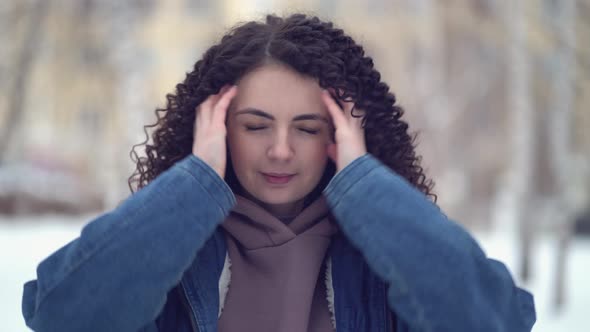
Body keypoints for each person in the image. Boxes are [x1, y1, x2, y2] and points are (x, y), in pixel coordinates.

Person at [21, 13, 536, 332]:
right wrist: (196, 181)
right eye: (256, 125)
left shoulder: (387, 256)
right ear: (217, 127)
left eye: (308, 128)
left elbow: (493, 322)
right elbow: (61, 315)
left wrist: (362, 182)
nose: (281, 151)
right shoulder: (169, 247)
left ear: (342, 138)